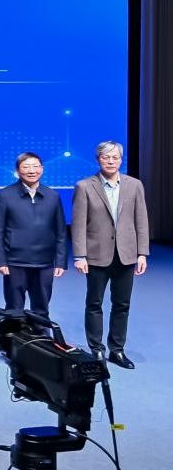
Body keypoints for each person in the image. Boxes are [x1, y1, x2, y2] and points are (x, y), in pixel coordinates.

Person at [72, 140, 150, 369]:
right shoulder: (85, 186)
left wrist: (142, 253)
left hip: (127, 254)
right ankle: (97, 349)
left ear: (121, 160)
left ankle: (117, 350)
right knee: (94, 303)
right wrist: (80, 256)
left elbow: (141, 221)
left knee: (122, 304)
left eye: (115, 157)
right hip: (96, 254)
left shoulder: (134, 185)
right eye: (106, 157)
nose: (111, 161)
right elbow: (78, 224)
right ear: (98, 159)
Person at [0, 152, 67, 320]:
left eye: (35, 166)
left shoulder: (53, 196)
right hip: (15, 262)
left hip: (44, 263)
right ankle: (14, 337)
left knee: (42, 309)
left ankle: (41, 336)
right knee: (14, 309)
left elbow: (61, 231)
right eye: (26, 167)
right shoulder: (5, 195)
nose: (31, 171)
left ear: (42, 169)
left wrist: (61, 261)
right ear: (17, 171)